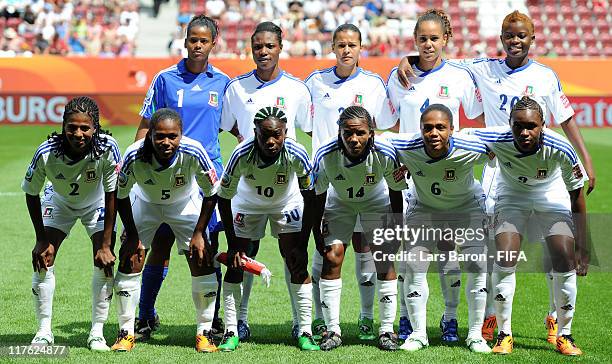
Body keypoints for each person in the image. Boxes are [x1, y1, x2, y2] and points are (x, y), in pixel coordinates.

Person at [396, 9, 595, 343]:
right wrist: (411, 56)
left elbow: (566, 116)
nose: (515, 41)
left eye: (522, 36)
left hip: (542, 170)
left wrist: (585, 159)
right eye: (509, 35)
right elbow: (442, 58)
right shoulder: (484, 68)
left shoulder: (546, 76)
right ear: (501, 38)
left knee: (559, 248)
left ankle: (554, 318)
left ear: (532, 39)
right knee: (493, 250)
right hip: (499, 167)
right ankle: (491, 320)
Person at [380, 9, 485, 343]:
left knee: (450, 254)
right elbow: (388, 124)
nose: (427, 44)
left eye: (434, 38)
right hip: (411, 177)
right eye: (421, 39)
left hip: (450, 173)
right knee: (412, 258)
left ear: (446, 39)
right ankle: (409, 322)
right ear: (414, 40)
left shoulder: (461, 76)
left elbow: (480, 119)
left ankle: (451, 318)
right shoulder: (399, 77)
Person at [134, 14, 231, 340]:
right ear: (185, 40)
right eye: (193, 39)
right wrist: (136, 165)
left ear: (213, 43)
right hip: (166, 172)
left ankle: (212, 321)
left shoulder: (223, 82)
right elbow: (147, 125)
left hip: (206, 175)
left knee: (206, 247)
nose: (198, 45)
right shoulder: (165, 79)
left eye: (204, 40)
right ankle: (145, 315)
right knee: (158, 244)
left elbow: (233, 125)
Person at [470, 97, 587, 355]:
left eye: (531, 126)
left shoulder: (560, 147)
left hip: (551, 194)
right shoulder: (496, 138)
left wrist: (583, 246)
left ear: (543, 125)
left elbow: (577, 195)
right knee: (505, 256)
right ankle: (504, 333)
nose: (524, 132)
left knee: (564, 257)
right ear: (509, 124)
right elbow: (455, 140)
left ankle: (564, 335)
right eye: (518, 126)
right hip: (512, 195)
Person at [220, 21, 313, 340]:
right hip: (247, 189)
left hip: (287, 191)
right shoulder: (236, 88)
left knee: (295, 255)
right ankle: (238, 324)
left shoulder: (298, 89)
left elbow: (309, 129)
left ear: (280, 47)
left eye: (269, 46)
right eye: (257, 46)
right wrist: (251, 143)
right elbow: (228, 127)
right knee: (241, 256)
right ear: (251, 48)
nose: (263, 52)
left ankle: (302, 327)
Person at [304, 23, 391, 340]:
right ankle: (320, 318)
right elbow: (307, 126)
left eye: (352, 44)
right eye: (340, 44)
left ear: (361, 47)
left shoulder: (374, 84)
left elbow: (378, 128)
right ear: (332, 47)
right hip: (328, 177)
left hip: (363, 177)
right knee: (324, 250)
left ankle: (367, 317)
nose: (346, 50)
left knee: (364, 246)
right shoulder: (314, 82)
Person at [384, 104, 491, 353]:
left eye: (441, 127)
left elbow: (501, 146)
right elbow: (380, 140)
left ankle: (475, 334)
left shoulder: (471, 148)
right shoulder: (406, 146)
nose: (434, 133)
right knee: (414, 265)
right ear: (420, 130)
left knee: (477, 265)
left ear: (452, 130)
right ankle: (419, 334)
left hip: (467, 209)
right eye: (428, 128)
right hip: (424, 209)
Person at [113, 109, 220, 353]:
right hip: (146, 204)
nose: (166, 142)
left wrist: (199, 233)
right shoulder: (134, 155)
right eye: (160, 136)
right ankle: (126, 332)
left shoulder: (194, 151)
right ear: (150, 134)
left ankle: (204, 333)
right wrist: (131, 233)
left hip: (185, 204)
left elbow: (212, 193)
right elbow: (119, 195)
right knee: (131, 258)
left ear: (181, 135)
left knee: (202, 257)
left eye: (173, 136)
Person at [216, 106, 320, 351]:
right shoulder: (242, 153)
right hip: (247, 204)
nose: (272, 141)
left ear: (285, 133)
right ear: (255, 133)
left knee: (296, 261)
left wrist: (304, 243)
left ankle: (303, 329)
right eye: (265, 135)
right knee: (238, 261)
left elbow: (311, 196)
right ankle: (233, 328)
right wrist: (232, 245)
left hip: (286, 203)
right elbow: (223, 197)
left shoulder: (296, 152)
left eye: (278, 135)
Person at [23, 96, 121, 351]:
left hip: (97, 202)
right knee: (44, 257)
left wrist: (107, 243)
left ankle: (97, 333)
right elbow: (31, 192)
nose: (78, 133)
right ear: (63, 126)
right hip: (59, 201)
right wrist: (41, 238)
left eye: (84, 128)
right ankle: (44, 331)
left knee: (103, 260)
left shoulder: (108, 147)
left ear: (95, 127)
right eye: (72, 127)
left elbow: (113, 195)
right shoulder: (46, 152)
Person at [311, 106, 406, 351]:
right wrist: (316, 230)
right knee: (332, 256)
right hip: (339, 204)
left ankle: (386, 329)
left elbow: (396, 192)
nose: (354, 139)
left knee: (384, 259)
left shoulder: (385, 153)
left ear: (371, 133)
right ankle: (333, 330)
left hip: (376, 202)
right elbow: (317, 197)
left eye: (361, 133)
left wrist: (396, 228)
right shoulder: (326, 155)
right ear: (339, 133)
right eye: (348, 133)